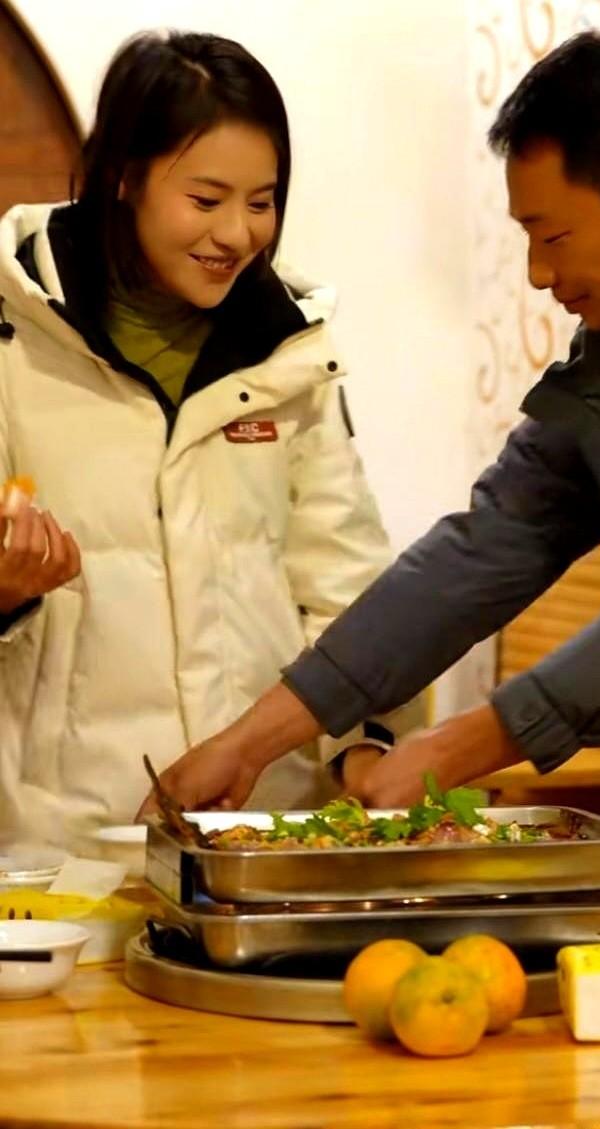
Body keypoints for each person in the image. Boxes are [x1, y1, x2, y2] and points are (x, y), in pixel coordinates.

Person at [145, 32, 600, 905]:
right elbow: (489, 543)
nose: (538, 272)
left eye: (553, 235)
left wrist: (459, 746)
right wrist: (251, 741)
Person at [0, 30, 421, 852]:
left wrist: (365, 745)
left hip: (264, 832)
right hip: (68, 844)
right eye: (206, 200)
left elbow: (348, 587)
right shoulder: (15, 334)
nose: (237, 233)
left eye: (261, 202)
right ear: (124, 177)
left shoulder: (290, 351)